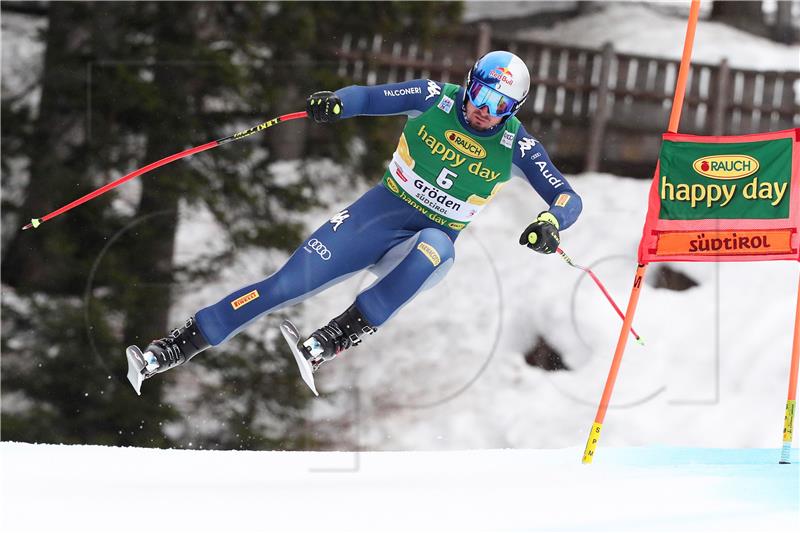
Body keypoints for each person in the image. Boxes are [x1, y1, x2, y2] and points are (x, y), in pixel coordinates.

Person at [125, 50, 583, 395]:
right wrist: (337, 104)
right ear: (468, 85)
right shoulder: (431, 99)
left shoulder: (516, 146)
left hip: (423, 246)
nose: (485, 109)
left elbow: (567, 196)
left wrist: (550, 220)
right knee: (284, 286)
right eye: (481, 94)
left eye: (500, 105)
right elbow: (368, 97)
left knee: (437, 246)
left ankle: (338, 335)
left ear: (513, 110)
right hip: (377, 214)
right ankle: (172, 349)